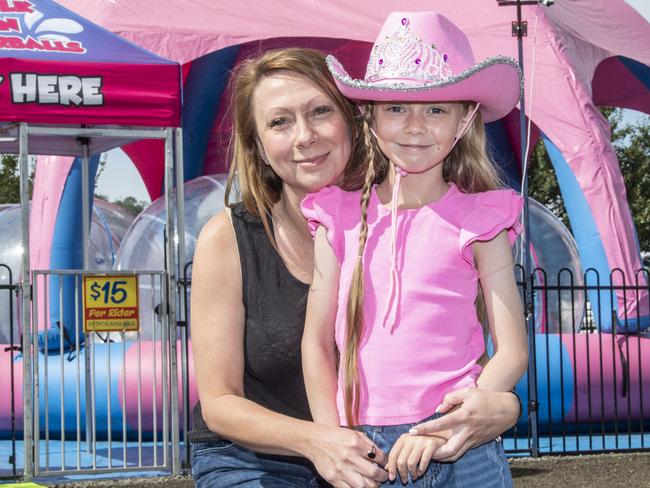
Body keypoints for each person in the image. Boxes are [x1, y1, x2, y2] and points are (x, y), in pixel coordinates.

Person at [190, 47, 523, 488]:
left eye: (320, 111)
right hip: (258, 461)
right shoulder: (227, 238)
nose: (304, 136)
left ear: (354, 119)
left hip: (388, 448)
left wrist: (502, 405)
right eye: (279, 122)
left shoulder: (451, 221)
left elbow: (481, 346)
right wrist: (323, 441)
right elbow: (219, 401)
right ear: (259, 146)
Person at [301, 11, 528, 488]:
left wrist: (453, 422)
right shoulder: (336, 217)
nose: (415, 126)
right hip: (361, 450)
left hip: (460, 448)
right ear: (371, 115)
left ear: (464, 119)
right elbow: (317, 342)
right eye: (397, 108)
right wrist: (330, 440)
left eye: (436, 110)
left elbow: (511, 351)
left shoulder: (483, 218)